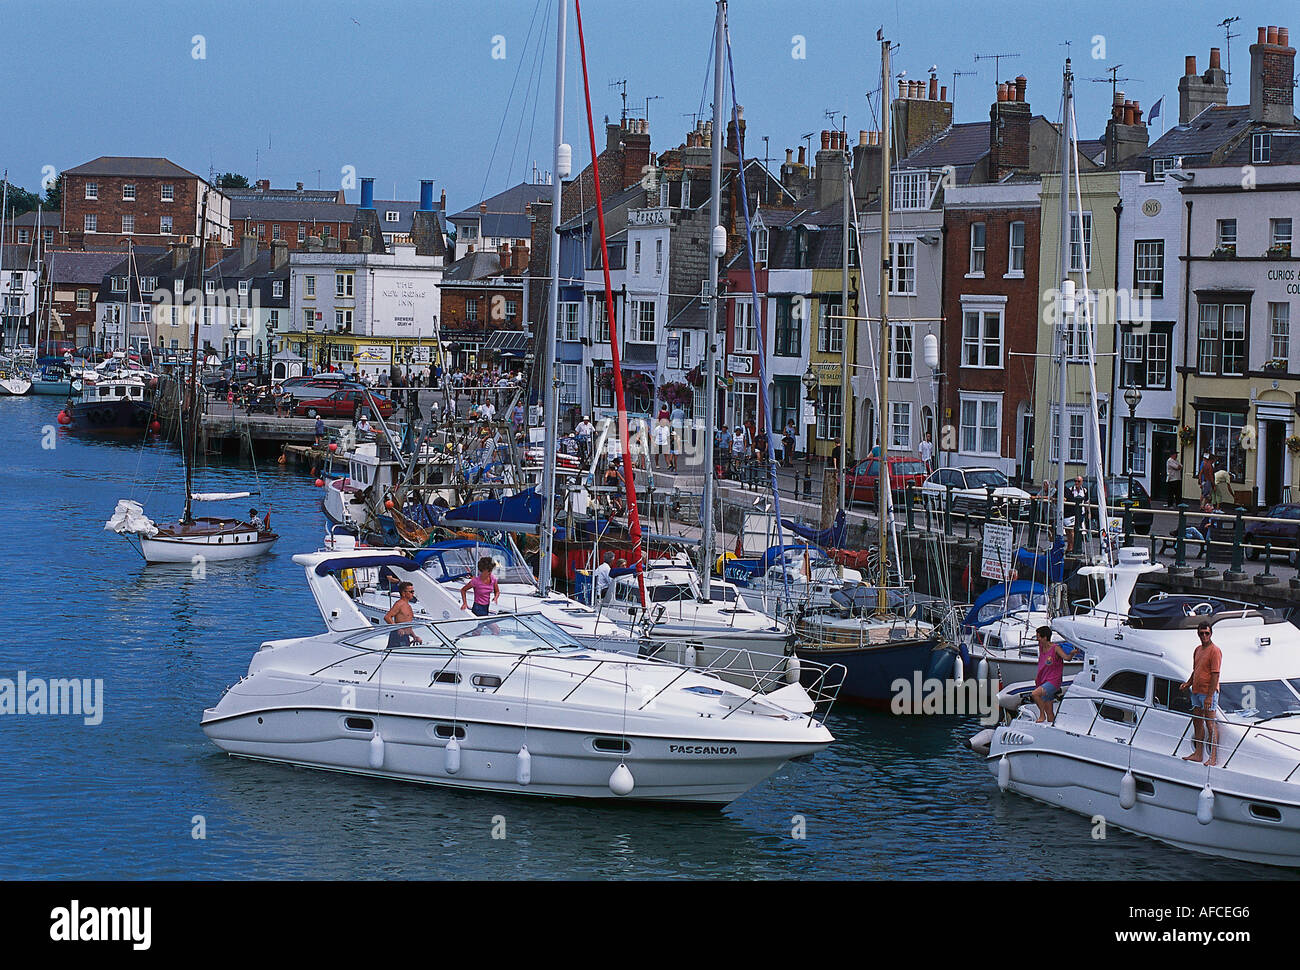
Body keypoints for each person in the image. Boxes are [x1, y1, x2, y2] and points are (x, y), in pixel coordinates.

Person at [1181, 621, 1222, 765]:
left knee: (1210, 724)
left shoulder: (1215, 651)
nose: (1204, 635)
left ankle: (1213, 757)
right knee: (1197, 721)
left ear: (1211, 634)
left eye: (1207, 633)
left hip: (1207, 692)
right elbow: (1196, 670)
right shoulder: (1198, 649)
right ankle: (1198, 753)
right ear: (1198, 633)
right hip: (1196, 691)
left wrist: (1210, 696)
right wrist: (1188, 683)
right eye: (1201, 633)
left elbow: (1215, 674)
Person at [1030, 625, 1070, 723]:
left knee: (1035, 694)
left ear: (1045, 637)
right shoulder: (1041, 647)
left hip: (1053, 681)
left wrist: (1072, 653)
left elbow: (1067, 658)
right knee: (1049, 711)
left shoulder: (1055, 648)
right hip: (1042, 680)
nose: (1037, 639)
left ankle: (1041, 715)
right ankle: (1051, 725)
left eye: (1039, 637)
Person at [384, 581, 423, 647]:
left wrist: (414, 636)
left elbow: (408, 626)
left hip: (406, 637)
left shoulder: (408, 606)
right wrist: (398, 628)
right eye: (411, 592)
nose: (413, 593)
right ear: (403, 593)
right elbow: (387, 617)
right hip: (398, 637)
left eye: (413, 591)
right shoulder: (399, 604)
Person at [1066, 475, 1088, 551]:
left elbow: (1086, 502)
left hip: (1081, 513)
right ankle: (1072, 546)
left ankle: (1077, 547)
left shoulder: (1084, 490)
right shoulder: (1071, 490)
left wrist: (1089, 513)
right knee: (1071, 530)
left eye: (1078, 481)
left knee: (1079, 530)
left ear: (1082, 482)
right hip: (1073, 513)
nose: (1076, 483)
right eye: (1075, 481)